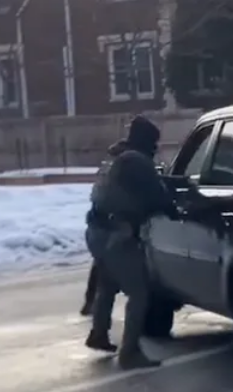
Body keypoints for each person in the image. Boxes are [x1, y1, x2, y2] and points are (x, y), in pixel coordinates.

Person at [85, 115, 180, 369]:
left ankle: (99, 333)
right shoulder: (137, 162)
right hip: (118, 233)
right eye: (153, 143)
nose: (155, 148)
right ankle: (130, 352)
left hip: (96, 229)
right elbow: (158, 197)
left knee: (107, 284)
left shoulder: (115, 156)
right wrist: (177, 210)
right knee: (139, 293)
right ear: (146, 141)